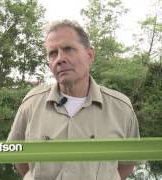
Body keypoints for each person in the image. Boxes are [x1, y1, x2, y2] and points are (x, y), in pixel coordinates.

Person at [7, 20, 140, 180]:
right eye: (53, 53)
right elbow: (18, 155)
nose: (59, 59)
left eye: (68, 49)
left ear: (90, 55)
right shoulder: (31, 104)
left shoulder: (121, 108)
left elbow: (127, 162)